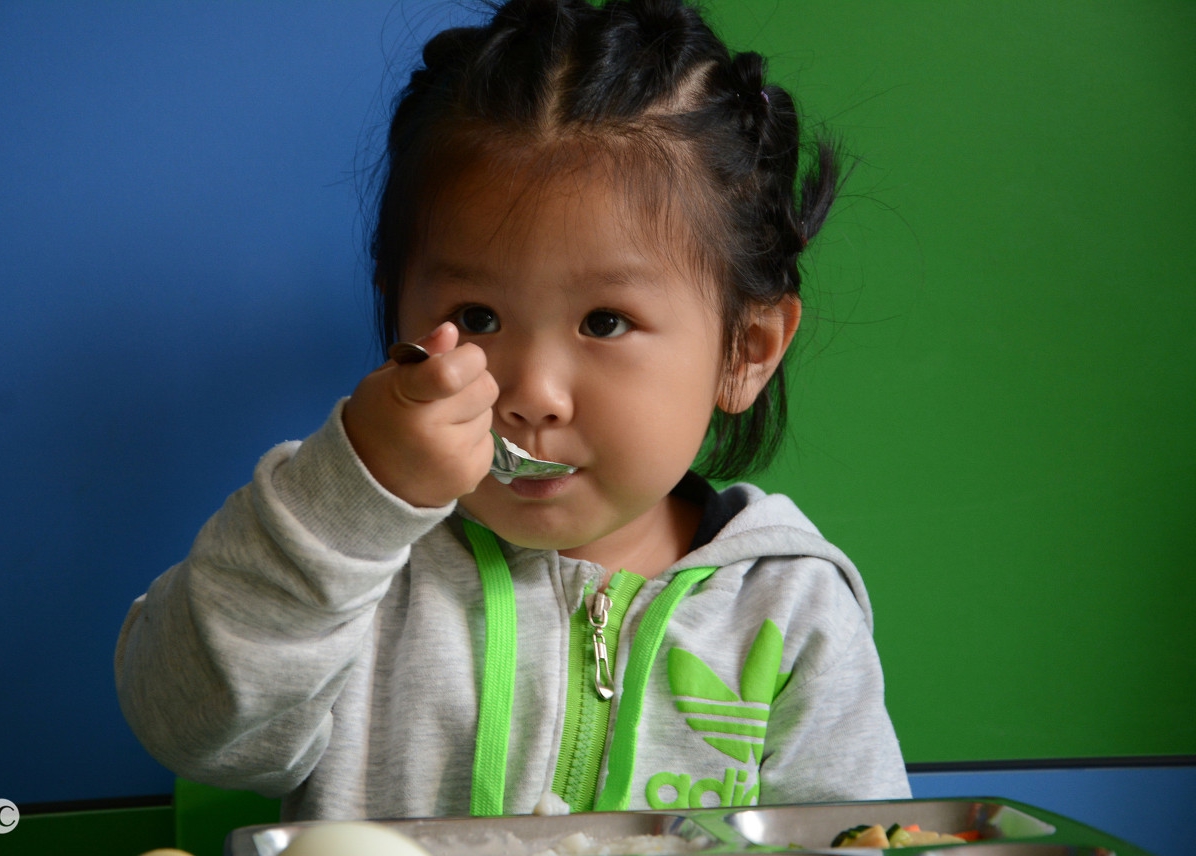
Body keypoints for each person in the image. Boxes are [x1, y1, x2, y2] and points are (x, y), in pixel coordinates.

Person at [115, 0, 910, 821]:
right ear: (399, 313)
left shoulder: (791, 612)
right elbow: (186, 724)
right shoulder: (349, 559)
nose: (531, 393)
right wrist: (352, 499)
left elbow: (860, 838)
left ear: (745, 349)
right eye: (479, 318)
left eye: (606, 322)